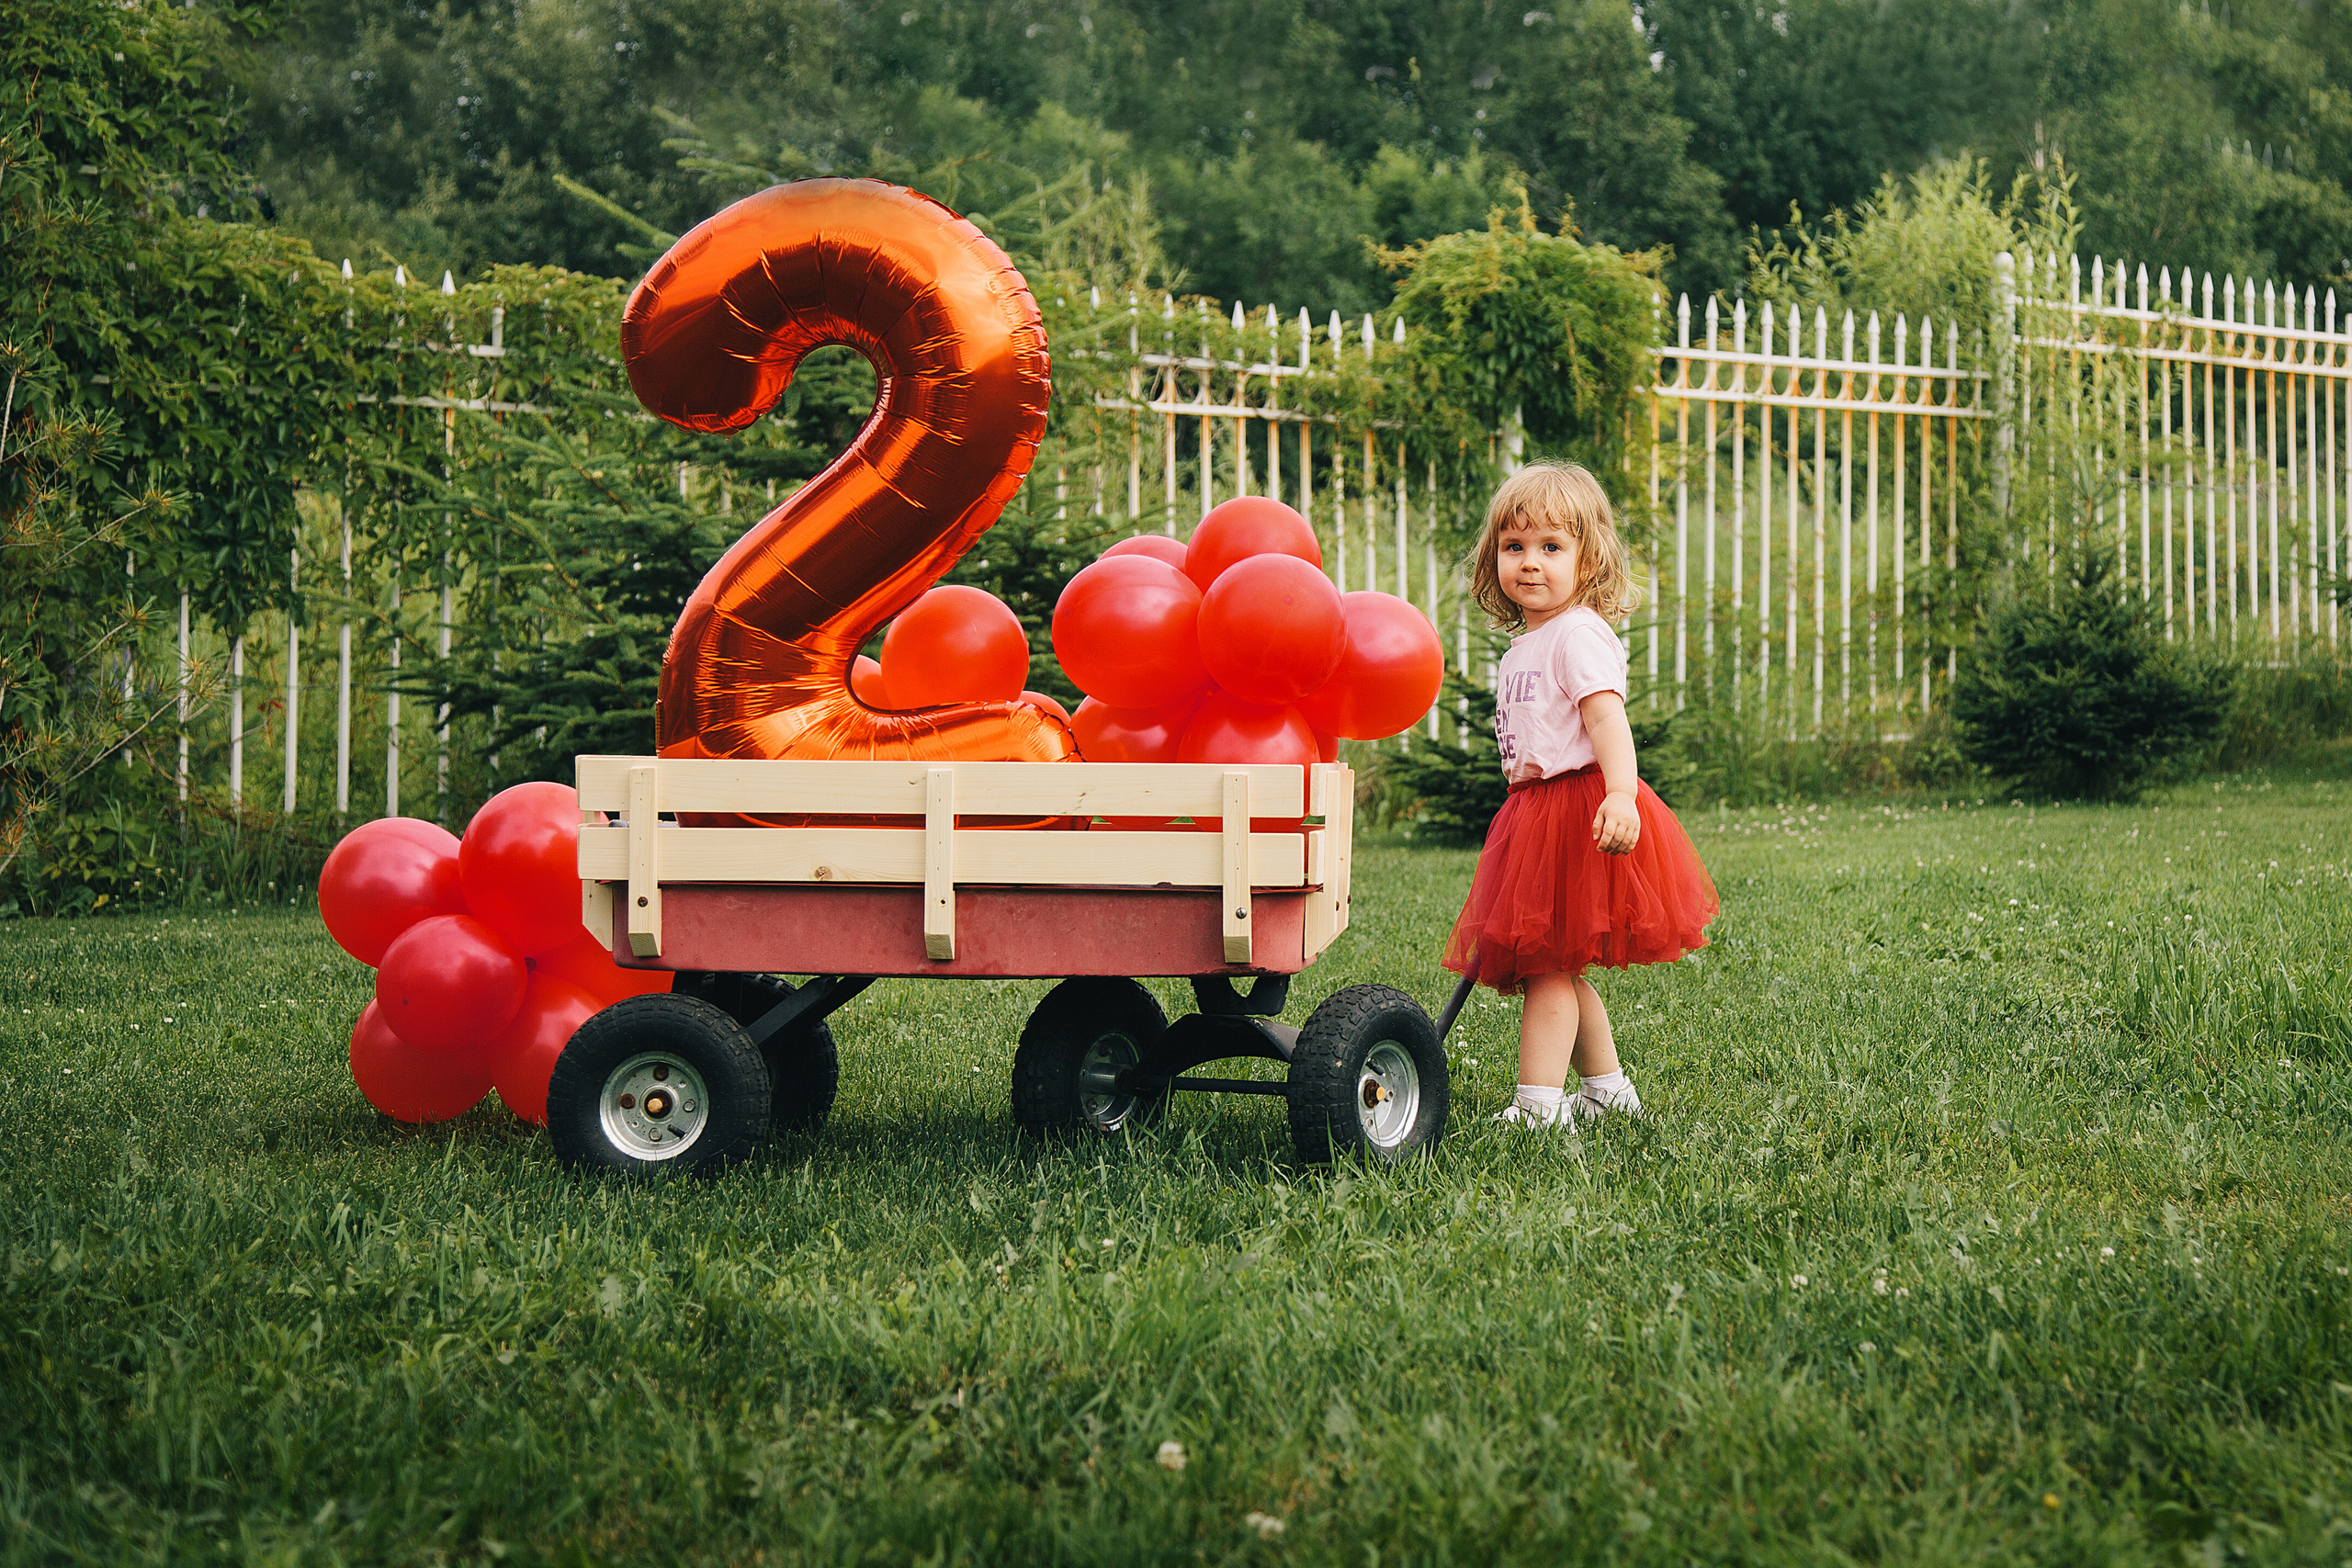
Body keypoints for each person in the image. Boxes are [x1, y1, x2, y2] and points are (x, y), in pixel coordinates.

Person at [1442, 461, 1719, 1127]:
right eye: (1514, 547)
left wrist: (1621, 794)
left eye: (1551, 547)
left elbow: (1606, 720)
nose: (1529, 562)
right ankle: (1607, 1091)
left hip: (1581, 809)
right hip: (1535, 814)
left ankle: (1538, 1106)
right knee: (1558, 966)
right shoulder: (1523, 645)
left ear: (1586, 559)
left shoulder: (1579, 634)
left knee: (1546, 969)